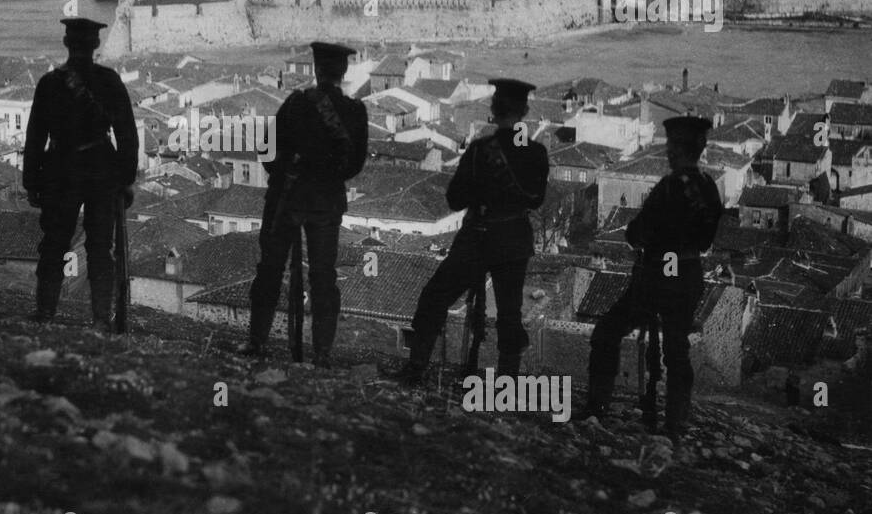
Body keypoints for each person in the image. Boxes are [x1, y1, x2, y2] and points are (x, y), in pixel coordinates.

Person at [398, 78, 549, 385]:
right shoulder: (536, 153)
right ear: (525, 111)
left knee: (435, 298)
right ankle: (507, 383)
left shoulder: (481, 150)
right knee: (510, 313)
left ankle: (415, 371)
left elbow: (455, 198)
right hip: (513, 241)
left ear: (493, 109)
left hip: (477, 239)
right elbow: (536, 199)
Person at [582, 114, 723, 440]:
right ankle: (676, 424)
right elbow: (705, 240)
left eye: (671, 146)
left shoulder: (669, 187)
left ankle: (597, 407)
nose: (668, 153)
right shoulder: (709, 187)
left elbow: (636, 232)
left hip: (656, 275)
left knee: (608, 332)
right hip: (687, 275)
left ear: (678, 149)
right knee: (677, 350)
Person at [240, 41, 368, 367]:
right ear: (344, 72)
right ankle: (322, 352)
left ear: (316, 68)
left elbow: (267, 150)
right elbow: (355, 165)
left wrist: (286, 173)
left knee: (269, 270)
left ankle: (257, 342)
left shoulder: (296, 103)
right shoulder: (355, 111)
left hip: (287, 198)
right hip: (326, 203)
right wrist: (325, 174)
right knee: (324, 277)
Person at [23, 17, 138, 330]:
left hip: (60, 169)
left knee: (55, 242)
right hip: (101, 169)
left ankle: (45, 311)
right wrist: (126, 179)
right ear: (95, 45)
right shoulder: (109, 80)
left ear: (66, 43)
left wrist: (31, 181)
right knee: (101, 246)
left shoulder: (49, 83)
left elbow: (35, 137)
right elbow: (127, 134)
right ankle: (102, 316)